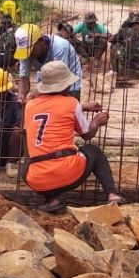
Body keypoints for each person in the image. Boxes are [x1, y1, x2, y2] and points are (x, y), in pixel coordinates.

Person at [21, 61, 125, 213]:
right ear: (65, 85)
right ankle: (112, 194)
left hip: (36, 178)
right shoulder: (71, 103)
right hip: (67, 172)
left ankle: (53, 200)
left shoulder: (30, 105)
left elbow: (52, 109)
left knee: (34, 164)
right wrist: (96, 121)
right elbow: (87, 134)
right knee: (94, 151)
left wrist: (82, 107)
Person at [15, 23, 84, 101]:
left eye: (31, 50)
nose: (29, 54)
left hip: (67, 77)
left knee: (69, 105)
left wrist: (38, 92)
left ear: (41, 40)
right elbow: (24, 78)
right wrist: (21, 96)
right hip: (45, 76)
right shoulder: (25, 52)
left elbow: (59, 79)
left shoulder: (60, 46)